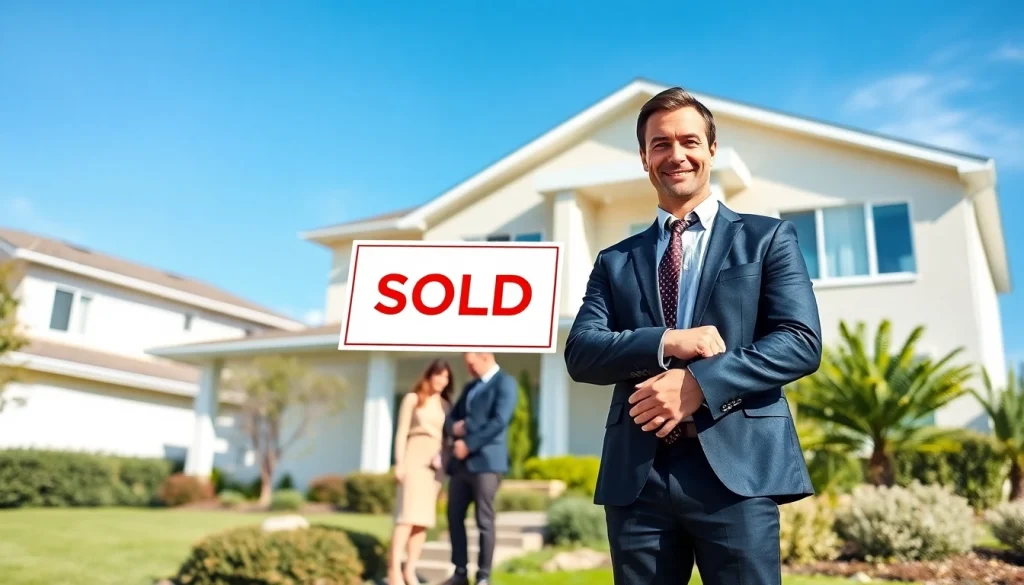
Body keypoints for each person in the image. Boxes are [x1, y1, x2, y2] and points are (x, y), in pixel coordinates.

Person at [563, 87, 822, 585]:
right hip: (638, 479)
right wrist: (667, 341)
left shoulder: (767, 238)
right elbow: (581, 352)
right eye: (660, 144)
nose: (675, 155)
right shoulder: (614, 261)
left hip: (737, 471)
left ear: (711, 150)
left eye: (689, 141)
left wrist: (699, 384)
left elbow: (799, 340)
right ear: (644, 157)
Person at [440, 352, 518, 585]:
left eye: (471, 364)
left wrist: (469, 443)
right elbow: (451, 418)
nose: (469, 369)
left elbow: (499, 421)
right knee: (454, 516)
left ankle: (483, 577)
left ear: (485, 356)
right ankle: (460, 572)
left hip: (487, 464)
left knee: (484, 520)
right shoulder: (470, 387)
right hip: (461, 466)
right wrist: (454, 428)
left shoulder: (505, 383)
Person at [389, 359, 454, 585]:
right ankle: (394, 570)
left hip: (434, 466)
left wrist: (443, 460)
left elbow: (448, 439)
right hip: (413, 458)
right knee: (406, 517)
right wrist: (399, 463)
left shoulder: (445, 405)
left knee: (422, 520)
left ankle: (410, 570)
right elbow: (401, 432)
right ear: (429, 375)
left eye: (446, 377)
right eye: (439, 375)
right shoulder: (413, 399)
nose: (442, 381)